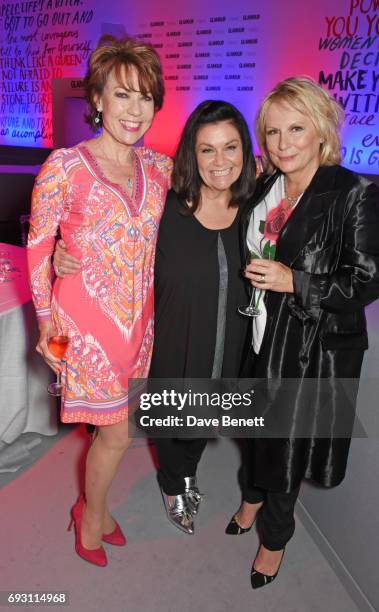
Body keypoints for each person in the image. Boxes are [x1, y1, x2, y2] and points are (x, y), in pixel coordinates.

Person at [54, 100, 256, 534]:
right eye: (207, 150)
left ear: (245, 152)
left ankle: (186, 470)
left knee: (206, 417)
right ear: (191, 154)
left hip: (232, 342)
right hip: (171, 340)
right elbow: (106, 236)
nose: (220, 161)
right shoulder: (165, 209)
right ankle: (173, 480)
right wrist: (64, 251)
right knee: (175, 420)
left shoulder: (257, 209)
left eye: (230, 147)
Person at [225, 76, 379, 589]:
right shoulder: (266, 186)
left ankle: (274, 539)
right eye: (272, 132)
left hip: (310, 347)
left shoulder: (352, 192)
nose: (283, 142)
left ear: (321, 132)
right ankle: (250, 497)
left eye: (296, 128)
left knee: (285, 447)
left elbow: (367, 280)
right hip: (260, 332)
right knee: (253, 428)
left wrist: (295, 281)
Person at [27, 35, 172, 567]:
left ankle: (92, 506)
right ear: (98, 100)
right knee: (116, 431)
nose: (135, 110)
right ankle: (90, 518)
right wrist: (45, 323)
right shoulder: (65, 166)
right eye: (122, 95)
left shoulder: (159, 170)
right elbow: (39, 246)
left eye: (146, 97)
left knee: (120, 427)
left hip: (141, 322)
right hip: (84, 321)